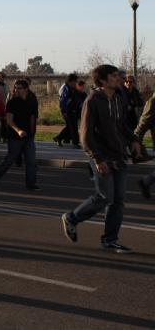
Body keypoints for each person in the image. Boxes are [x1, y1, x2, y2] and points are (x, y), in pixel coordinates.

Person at [61, 65, 142, 253]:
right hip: (101, 156)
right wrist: (97, 158)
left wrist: (134, 139)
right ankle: (72, 218)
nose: (119, 78)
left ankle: (110, 239)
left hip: (119, 155)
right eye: (114, 76)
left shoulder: (118, 98)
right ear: (103, 80)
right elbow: (85, 135)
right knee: (105, 196)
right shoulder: (92, 101)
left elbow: (122, 126)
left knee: (118, 200)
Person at [0, 79, 40, 190]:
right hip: (15, 137)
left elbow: (33, 117)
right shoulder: (12, 102)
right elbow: (9, 120)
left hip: (29, 137)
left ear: (26, 89)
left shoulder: (31, 101)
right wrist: (18, 131)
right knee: (9, 160)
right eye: (15, 88)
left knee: (31, 161)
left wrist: (32, 132)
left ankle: (31, 184)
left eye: (19, 88)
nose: (16, 90)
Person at [134, 90, 155, 199]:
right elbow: (143, 122)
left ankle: (145, 182)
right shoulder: (153, 102)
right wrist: (135, 139)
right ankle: (145, 182)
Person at [54, 74, 79, 147]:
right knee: (72, 127)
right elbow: (63, 101)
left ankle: (59, 137)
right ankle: (75, 143)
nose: (75, 83)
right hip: (67, 111)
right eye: (75, 81)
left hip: (72, 110)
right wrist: (64, 111)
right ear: (70, 81)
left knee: (70, 126)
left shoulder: (72, 88)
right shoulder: (65, 88)